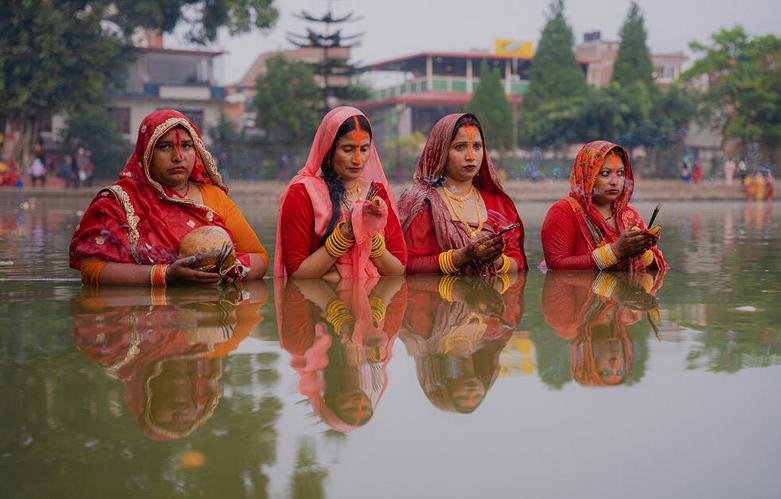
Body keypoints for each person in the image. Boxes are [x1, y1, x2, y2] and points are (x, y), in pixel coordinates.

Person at [69, 109, 268, 285]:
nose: (178, 156)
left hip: (213, 312)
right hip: (148, 313)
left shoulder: (214, 197)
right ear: (147, 152)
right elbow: (92, 270)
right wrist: (164, 275)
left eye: (186, 146)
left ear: (197, 150)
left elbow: (259, 258)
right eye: (165, 146)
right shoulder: (118, 203)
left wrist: (227, 270)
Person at [72, 282, 267, 440]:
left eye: (167, 423)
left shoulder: (115, 349)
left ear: (148, 404)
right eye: (187, 422)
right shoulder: (212, 341)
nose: (179, 419)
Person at [275, 106, 406, 280]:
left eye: (364, 149)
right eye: (348, 149)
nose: (358, 160)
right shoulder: (302, 193)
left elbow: (397, 270)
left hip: (372, 295)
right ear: (328, 150)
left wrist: (370, 234)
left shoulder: (377, 193)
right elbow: (298, 274)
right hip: (324, 298)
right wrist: (345, 235)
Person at [398, 113, 527, 276]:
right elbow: (405, 266)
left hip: (492, 293)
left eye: (477, 147)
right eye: (460, 147)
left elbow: (519, 263)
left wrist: (496, 260)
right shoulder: (423, 205)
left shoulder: (498, 204)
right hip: (438, 293)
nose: (470, 157)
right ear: (440, 152)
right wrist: (463, 255)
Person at [276, 277, 406, 432]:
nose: (359, 403)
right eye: (366, 407)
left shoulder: (300, 345)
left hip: (315, 273)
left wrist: (338, 314)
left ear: (330, 400)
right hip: (372, 273)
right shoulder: (379, 348)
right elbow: (399, 291)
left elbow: (296, 288)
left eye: (350, 409)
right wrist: (373, 317)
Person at [401, 274, 525, 413]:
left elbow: (413, 285)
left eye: (462, 396)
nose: (472, 392)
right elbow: (512, 285)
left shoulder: (425, 333)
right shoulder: (493, 333)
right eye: (478, 396)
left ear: (443, 386)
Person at [541, 140, 667, 272]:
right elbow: (556, 265)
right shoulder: (564, 211)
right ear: (587, 176)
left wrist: (642, 251)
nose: (615, 182)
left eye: (620, 173)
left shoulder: (630, 214)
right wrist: (616, 251)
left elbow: (658, 267)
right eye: (605, 173)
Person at [542, 271, 663, 387]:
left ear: (586, 362)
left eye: (606, 372)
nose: (614, 362)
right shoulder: (632, 313)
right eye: (620, 371)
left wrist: (614, 289)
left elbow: (557, 277)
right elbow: (653, 275)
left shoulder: (562, 319)